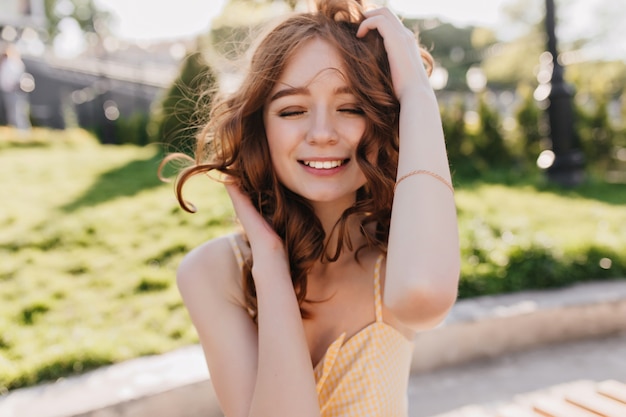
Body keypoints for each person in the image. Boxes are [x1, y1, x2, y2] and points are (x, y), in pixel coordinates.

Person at [163, 0, 460, 415]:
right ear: (258, 127)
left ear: (384, 121)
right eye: (292, 110)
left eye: (352, 107)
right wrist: (270, 266)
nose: (322, 133)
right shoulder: (213, 273)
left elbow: (424, 296)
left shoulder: (396, 256)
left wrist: (417, 94)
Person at [0, 44, 30, 131]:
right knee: (13, 114)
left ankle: (23, 133)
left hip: (15, 91)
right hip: (8, 91)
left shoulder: (13, 62)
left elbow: (15, 77)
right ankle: (17, 132)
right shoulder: (6, 63)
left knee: (18, 114)